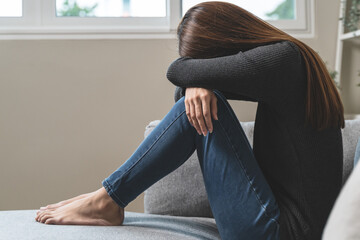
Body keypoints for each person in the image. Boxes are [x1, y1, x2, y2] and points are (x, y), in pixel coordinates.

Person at [35, 2, 345, 240]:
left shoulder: (284, 59)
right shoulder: (294, 64)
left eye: (206, 60)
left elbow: (177, 72)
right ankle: (105, 197)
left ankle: (107, 199)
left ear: (223, 45)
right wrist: (201, 82)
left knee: (200, 107)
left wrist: (198, 78)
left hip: (279, 232)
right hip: (281, 227)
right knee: (198, 105)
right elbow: (184, 97)